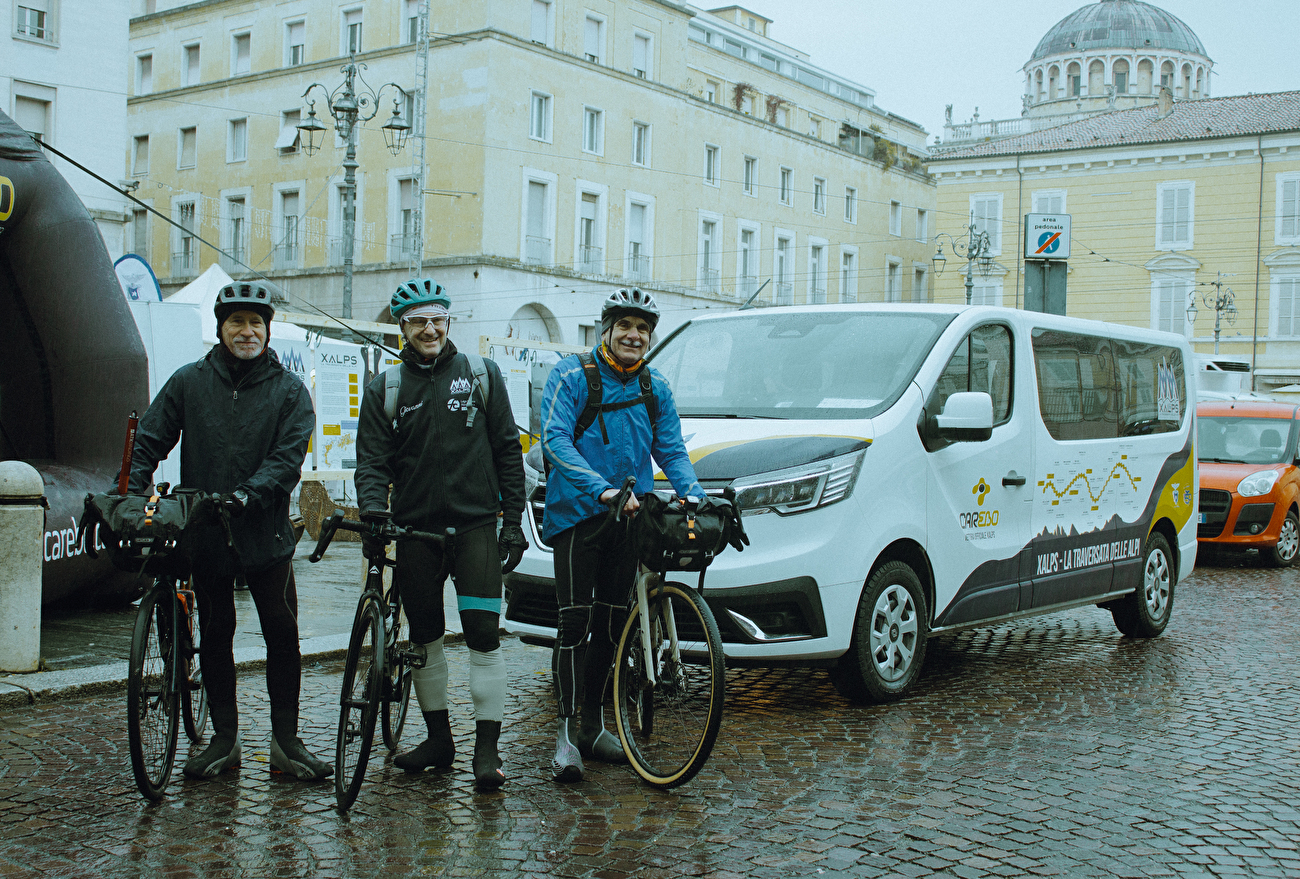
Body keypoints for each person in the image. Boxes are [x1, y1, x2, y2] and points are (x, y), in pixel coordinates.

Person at [128, 281, 329, 781]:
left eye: (255, 323)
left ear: (268, 330)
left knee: (282, 635)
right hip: (208, 535)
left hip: (265, 536)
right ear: (220, 329)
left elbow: (287, 462)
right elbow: (150, 438)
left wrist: (247, 494)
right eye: (236, 322)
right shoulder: (189, 381)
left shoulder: (289, 392)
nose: (247, 332)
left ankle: (286, 742)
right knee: (216, 635)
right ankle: (225, 739)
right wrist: (133, 493)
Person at [354, 278, 527, 791]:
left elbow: (508, 453)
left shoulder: (480, 375)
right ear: (402, 328)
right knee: (424, 640)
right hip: (415, 534)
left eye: (437, 320)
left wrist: (512, 522)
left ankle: (487, 751)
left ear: (449, 323)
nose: (429, 329)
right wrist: (371, 513)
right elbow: (371, 463)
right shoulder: (385, 388)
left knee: (483, 639)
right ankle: (439, 740)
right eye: (417, 322)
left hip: (475, 530)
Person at [540, 288, 705, 782]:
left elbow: (672, 450)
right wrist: (602, 490)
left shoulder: (655, 388)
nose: (634, 336)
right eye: (625, 326)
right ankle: (567, 734)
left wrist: (692, 494)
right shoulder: (571, 376)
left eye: (643, 329)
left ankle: (594, 725)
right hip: (578, 517)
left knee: (612, 629)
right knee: (574, 627)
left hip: (631, 518)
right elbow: (555, 441)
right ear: (606, 330)